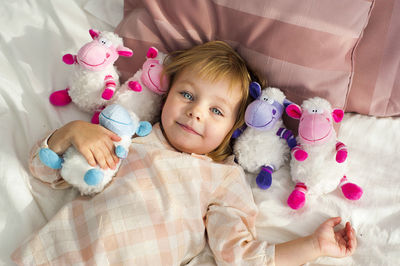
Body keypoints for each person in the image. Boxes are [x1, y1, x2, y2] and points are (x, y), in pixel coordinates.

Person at [12, 41, 357, 265]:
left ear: (233, 129)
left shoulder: (222, 179)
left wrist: (314, 246)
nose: (196, 113)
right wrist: (72, 132)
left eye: (217, 111)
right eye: (188, 95)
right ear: (167, 95)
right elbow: (44, 171)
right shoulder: (130, 135)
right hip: (58, 254)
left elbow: (241, 257)